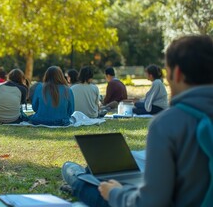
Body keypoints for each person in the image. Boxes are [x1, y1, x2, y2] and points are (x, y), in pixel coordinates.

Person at [62, 35, 213, 206]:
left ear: (176, 73)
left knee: (74, 172)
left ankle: (79, 176)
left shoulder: (168, 124)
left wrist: (115, 193)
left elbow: (149, 203)